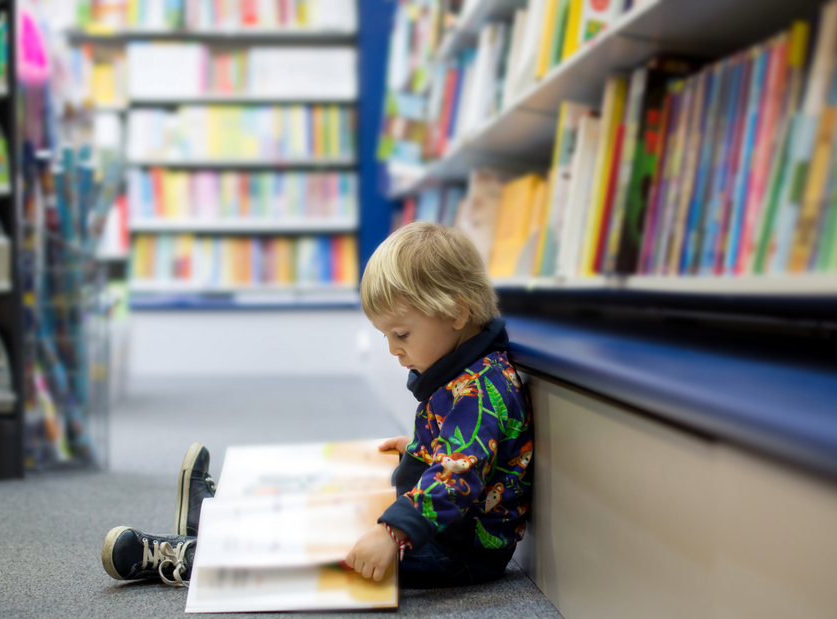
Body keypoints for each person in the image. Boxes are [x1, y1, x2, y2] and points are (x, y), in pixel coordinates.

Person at [99, 221, 534, 589]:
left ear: (456, 313)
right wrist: (425, 447)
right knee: (328, 496)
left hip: (455, 552)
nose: (392, 350)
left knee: (320, 549)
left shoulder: (481, 390)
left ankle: (190, 557)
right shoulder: (469, 372)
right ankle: (219, 518)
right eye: (386, 336)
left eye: (401, 334)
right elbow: (467, 451)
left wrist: (392, 534)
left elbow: (457, 476)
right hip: (445, 528)